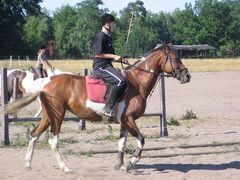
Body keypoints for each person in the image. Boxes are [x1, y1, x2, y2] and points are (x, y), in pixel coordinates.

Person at [92, 13, 128, 117]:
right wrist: (114, 56)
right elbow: (98, 54)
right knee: (121, 81)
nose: (115, 26)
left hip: (107, 66)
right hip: (101, 67)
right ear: (107, 24)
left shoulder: (108, 37)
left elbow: (110, 56)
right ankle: (107, 108)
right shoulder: (101, 36)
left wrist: (120, 59)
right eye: (113, 23)